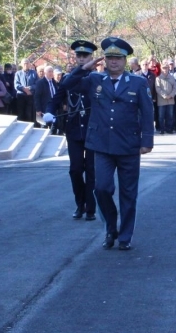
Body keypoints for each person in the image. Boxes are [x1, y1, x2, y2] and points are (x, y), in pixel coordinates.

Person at [59, 37, 154, 251]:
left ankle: (125, 236)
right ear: (104, 60)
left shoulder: (138, 83)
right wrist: (83, 68)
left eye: (118, 58)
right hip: (101, 145)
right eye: (110, 57)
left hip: (129, 146)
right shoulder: (94, 79)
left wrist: (147, 141)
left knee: (128, 193)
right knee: (101, 189)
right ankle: (111, 227)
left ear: (125, 60)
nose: (113, 62)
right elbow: (66, 84)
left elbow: (147, 113)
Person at [45, 40, 99, 221]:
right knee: (75, 170)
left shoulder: (99, 78)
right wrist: (49, 112)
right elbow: (57, 97)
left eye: (86, 56)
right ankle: (80, 203)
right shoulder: (70, 78)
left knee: (92, 171)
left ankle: (90, 208)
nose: (82, 59)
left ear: (92, 57)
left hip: (93, 129)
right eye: (79, 56)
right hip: (74, 129)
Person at [155, 61, 176, 134]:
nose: (165, 69)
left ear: (168, 68)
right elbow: (158, 88)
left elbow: (175, 87)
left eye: (166, 68)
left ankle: (169, 129)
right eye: (163, 68)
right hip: (162, 100)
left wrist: (171, 95)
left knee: (170, 115)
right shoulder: (158, 78)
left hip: (171, 100)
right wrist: (164, 95)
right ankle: (162, 129)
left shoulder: (172, 77)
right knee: (161, 116)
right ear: (161, 68)